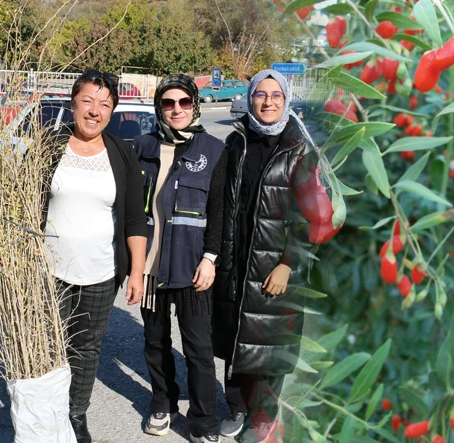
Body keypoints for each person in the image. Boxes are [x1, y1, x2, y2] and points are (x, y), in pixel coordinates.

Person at [212, 69, 326, 442]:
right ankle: (237, 407)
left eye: (276, 95)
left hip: (273, 267)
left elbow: (313, 218)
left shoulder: (299, 149)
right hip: (237, 258)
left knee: (269, 347)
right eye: (261, 95)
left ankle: (263, 416)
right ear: (250, 98)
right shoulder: (237, 140)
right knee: (235, 342)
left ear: (286, 99)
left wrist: (287, 264)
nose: (268, 102)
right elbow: (222, 203)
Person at [40, 68, 147, 443]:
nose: (94, 110)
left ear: (113, 110)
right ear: (73, 104)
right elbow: (25, 208)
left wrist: (136, 272)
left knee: (86, 348)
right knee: (49, 344)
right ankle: (47, 413)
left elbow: (135, 217)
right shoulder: (48, 146)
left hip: (102, 271)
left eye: (104, 104)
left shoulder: (122, 153)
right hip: (49, 269)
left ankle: (76, 414)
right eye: (87, 100)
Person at [133, 74, 227, 443]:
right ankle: (163, 403)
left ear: (195, 105)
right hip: (153, 268)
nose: (176, 110)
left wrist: (211, 258)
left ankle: (203, 420)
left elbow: (219, 211)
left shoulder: (214, 150)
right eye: (168, 103)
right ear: (159, 107)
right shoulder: (140, 147)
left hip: (193, 267)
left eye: (184, 102)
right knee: (154, 341)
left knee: (199, 350)